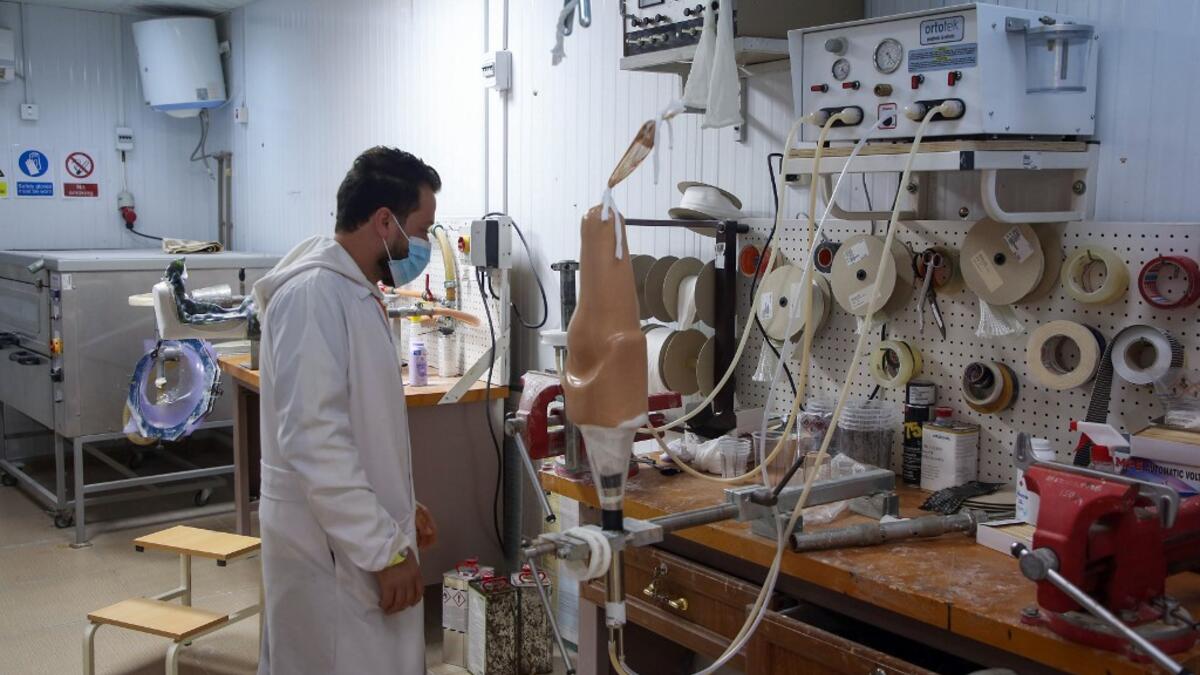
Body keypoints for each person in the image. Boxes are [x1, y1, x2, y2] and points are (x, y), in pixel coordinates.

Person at [252, 147, 441, 674]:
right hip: (330, 554)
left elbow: (357, 425)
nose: (421, 245)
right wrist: (385, 549)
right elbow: (315, 441)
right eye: (420, 229)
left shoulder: (351, 291)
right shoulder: (313, 296)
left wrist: (400, 500)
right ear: (384, 221)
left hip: (348, 532)